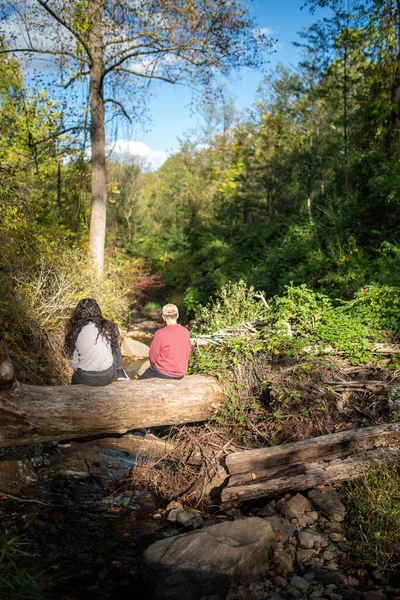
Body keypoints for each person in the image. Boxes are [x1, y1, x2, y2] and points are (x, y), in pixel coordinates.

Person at [64, 298, 130, 386]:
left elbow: (74, 362)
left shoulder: (75, 332)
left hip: (85, 378)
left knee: (75, 378)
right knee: (114, 342)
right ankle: (121, 372)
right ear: (97, 310)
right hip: (107, 375)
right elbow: (119, 332)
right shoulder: (107, 326)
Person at [139, 303, 191, 380]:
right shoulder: (185, 331)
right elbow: (187, 351)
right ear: (177, 315)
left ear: (163, 317)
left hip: (162, 372)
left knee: (139, 382)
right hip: (180, 373)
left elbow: (153, 357)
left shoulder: (160, 333)